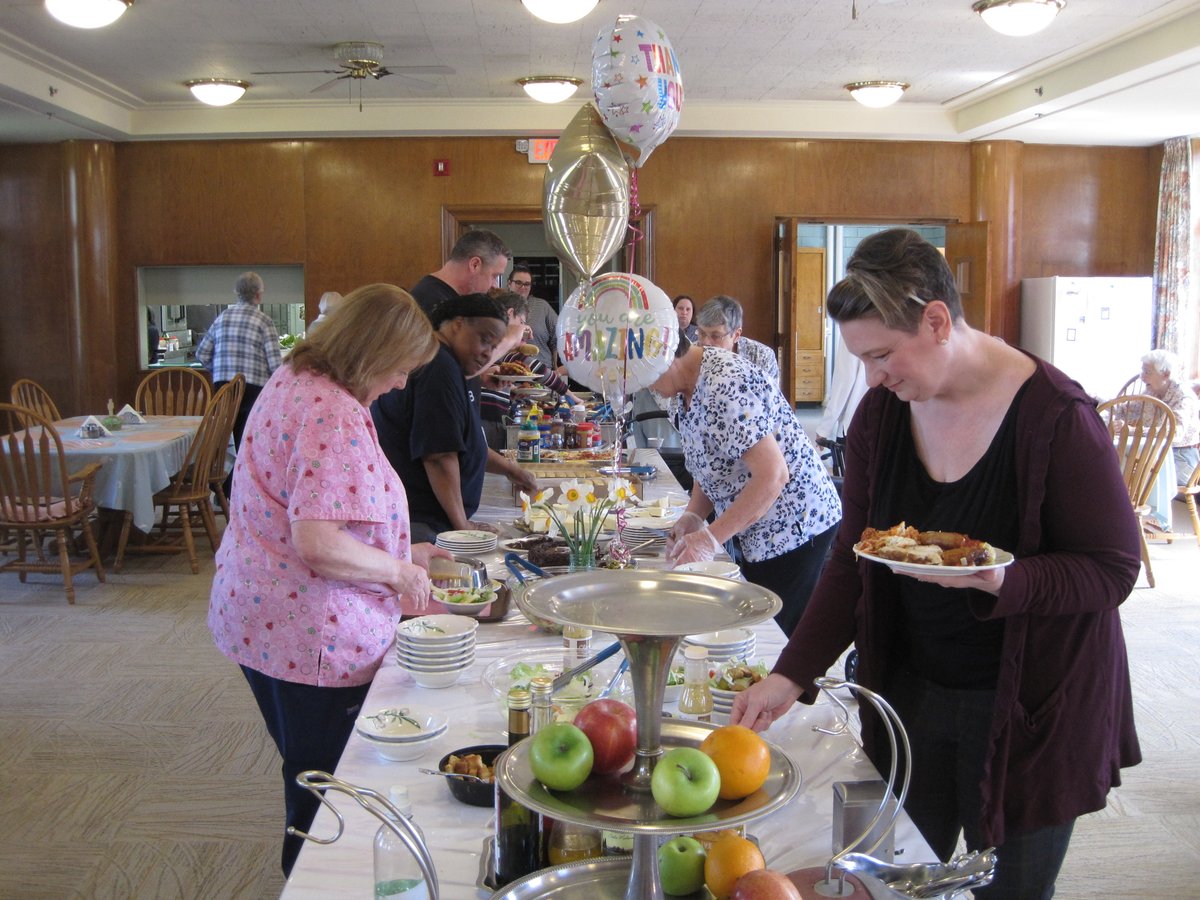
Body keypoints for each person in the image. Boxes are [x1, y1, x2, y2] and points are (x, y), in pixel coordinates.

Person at [730, 229, 1142, 900]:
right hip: (914, 691)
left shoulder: (1056, 420)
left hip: (1032, 707)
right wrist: (791, 673)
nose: (873, 378)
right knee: (893, 878)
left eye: (883, 355)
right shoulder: (882, 419)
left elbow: (1113, 568)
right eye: (861, 359)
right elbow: (852, 558)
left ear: (938, 321)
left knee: (1008, 888)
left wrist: (1004, 579)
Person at [206, 283, 449, 877]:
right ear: (370, 353)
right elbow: (317, 542)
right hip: (308, 634)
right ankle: (313, 883)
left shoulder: (295, 378)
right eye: (400, 370)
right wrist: (399, 571)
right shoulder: (331, 411)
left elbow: (302, 503)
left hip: (261, 614)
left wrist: (402, 546)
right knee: (326, 792)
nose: (400, 384)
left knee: (307, 772)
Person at [652, 341, 841, 636]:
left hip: (794, 522)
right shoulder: (685, 387)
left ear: (664, 358)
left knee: (776, 631)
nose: (645, 388)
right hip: (759, 521)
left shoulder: (723, 382)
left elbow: (773, 476)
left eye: (645, 378)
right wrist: (694, 515)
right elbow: (713, 461)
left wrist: (710, 539)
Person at [372, 293, 538, 543]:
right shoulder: (437, 367)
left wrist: (512, 471)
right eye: (485, 340)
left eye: (494, 348)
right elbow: (438, 455)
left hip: (431, 520)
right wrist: (462, 528)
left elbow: (464, 443)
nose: (487, 354)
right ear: (458, 324)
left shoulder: (452, 365)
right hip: (420, 522)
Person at [195, 271, 283, 491]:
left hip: (223, 388)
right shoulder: (264, 321)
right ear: (259, 295)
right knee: (248, 441)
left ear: (236, 293)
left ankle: (220, 487)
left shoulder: (222, 317)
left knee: (223, 439)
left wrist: (219, 370)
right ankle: (241, 489)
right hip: (253, 390)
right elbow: (275, 365)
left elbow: (202, 354)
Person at [479, 290, 578, 452]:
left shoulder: (494, 337)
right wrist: (570, 395)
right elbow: (534, 367)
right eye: (522, 322)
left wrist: (512, 392)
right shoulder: (498, 338)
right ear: (510, 314)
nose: (525, 330)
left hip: (490, 414)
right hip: (487, 417)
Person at [410, 229, 512, 319]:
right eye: (494, 276)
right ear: (475, 265)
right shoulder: (431, 302)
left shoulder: (453, 300)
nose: (494, 285)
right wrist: (509, 338)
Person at [1137, 349, 1199, 488]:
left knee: (1135, 477)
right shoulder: (1151, 391)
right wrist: (1093, 401)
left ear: (1166, 374)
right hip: (1157, 453)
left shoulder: (1183, 396)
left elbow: (1175, 432)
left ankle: (1151, 508)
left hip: (1181, 458)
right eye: (1142, 371)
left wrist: (1135, 431)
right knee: (1118, 465)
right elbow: (1126, 408)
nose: (1142, 377)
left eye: (1147, 372)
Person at [695, 295, 780, 384]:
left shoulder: (761, 357)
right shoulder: (690, 355)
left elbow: (771, 396)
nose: (705, 342)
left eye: (715, 336)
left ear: (736, 335)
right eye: (702, 333)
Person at [508, 263, 559, 368]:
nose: (523, 287)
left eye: (527, 284)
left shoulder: (542, 307)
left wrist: (556, 369)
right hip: (508, 371)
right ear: (509, 283)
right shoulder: (500, 306)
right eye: (518, 283)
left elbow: (558, 337)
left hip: (542, 371)